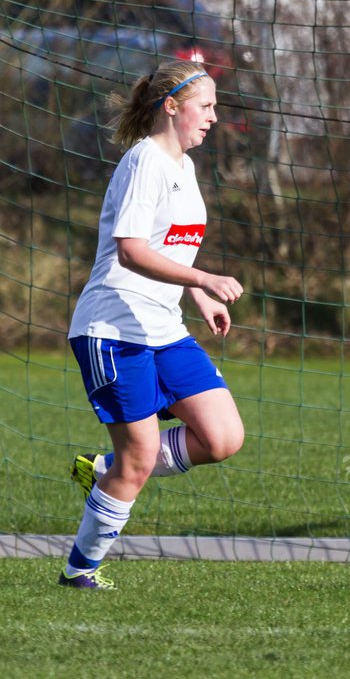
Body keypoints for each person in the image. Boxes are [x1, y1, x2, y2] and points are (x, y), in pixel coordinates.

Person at [59, 59, 245, 590]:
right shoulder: (145, 161)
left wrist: (194, 293)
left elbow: (166, 245)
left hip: (163, 328)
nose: (213, 117)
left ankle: (103, 471)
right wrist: (205, 277)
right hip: (112, 331)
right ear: (172, 106)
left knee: (223, 436)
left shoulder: (183, 166)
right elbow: (132, 251)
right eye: (206, 106)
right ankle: (80, 570)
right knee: (138, 458)